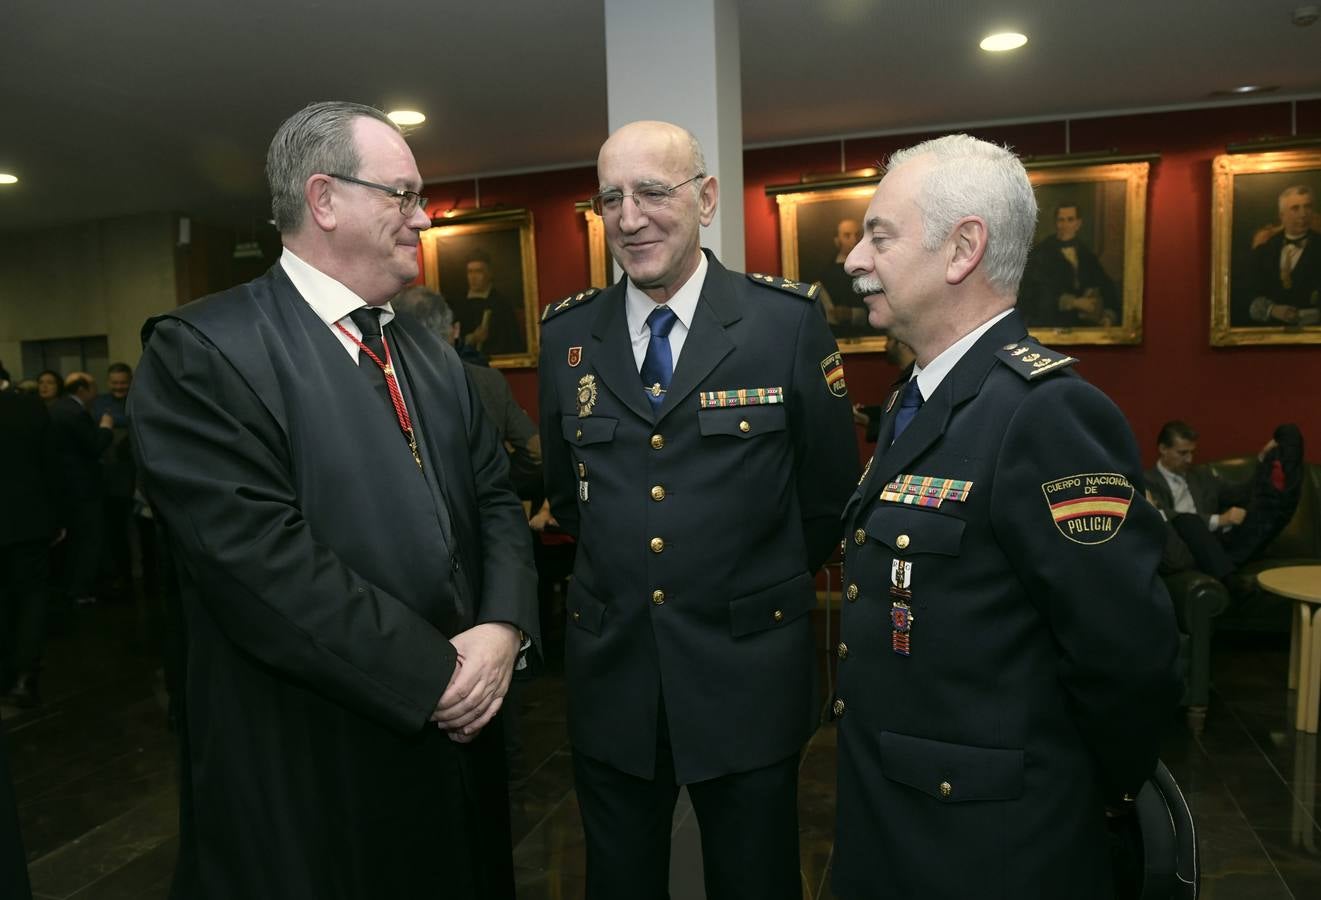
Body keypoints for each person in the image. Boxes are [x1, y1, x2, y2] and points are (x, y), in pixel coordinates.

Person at [129, 101, 538, 900]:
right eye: (402, 194)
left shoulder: (428, 354)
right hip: (311, 762)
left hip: (459, 747)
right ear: (323, 200)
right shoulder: (202, 352)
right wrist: (438, 675)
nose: (424, 218)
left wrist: (502, 625)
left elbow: (495, 498)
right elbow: (259, 565)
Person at [833, 134, 1180, 899]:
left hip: (992, 847)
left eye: (878, 236)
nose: (854, 259)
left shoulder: (1045, 414)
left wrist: (1083, 788)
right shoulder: (913, 401)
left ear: (962, 250)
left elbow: (1125, 653)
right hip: (896, 821)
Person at [538, 120, 858, 900]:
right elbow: (565, 489)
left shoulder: (783, 322)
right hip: (613, 676)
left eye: (652, 191)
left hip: (745, 671)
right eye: (610, 197)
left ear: (707, 197)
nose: (630, 216)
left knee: (754, 879)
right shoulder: (566, 332)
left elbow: (824, 500)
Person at [392, 284, 541, 499]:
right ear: (455, 330)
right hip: (488, 512)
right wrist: (502, 480)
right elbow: (536, 452)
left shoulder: (385, 385)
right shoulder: (489, 381)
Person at [1147, 420, 1304, 577]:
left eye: (1191, 452)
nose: (1189, 459)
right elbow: (1167, 517)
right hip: (1183, 548)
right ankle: (1230, 578)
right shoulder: (1147, 482)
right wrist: (1219, 520)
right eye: (1182, 453)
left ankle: (1285, 491)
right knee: (1188, 521)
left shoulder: (1201, 475)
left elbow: (1239, 494)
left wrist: (1263, 461)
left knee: (1265, 513)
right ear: (1163, 449)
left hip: (1218, 544)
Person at [0, 366, 64, 707]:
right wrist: (58, 518)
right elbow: (50, 466)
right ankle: (26, 678)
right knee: (31, 599)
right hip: (29, 521)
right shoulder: (29, 407)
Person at [48, 373, 113, 608]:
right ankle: (81, 590)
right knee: (90, 540)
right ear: (83, 389)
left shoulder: (56, 409)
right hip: (84, 487)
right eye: (94, 387)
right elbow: (94, 446)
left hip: (65, 487)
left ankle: (71, 587)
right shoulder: (76, 413)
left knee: (75, 542)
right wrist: (106, 429)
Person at [1018, 201, 1119, 327]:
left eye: (1070, 220)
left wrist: (1108, 316)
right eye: (1061, 220)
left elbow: (1105, 285)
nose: (1065, 225)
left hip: (1083, 323)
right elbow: (1034, 294)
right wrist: (1074, 302)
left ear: (1078, 224)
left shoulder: (1086, 253)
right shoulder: (1041, 253)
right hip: (1052, 322)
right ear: (1056, 223)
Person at [1244, 184, 1321, 326]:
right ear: (1282, 215)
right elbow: (1247, 292)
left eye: (1307, 207)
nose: (1303, 214)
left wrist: (1311, 315)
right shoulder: (1264, 250)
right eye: (1295, 208)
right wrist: (1272, 310)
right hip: (1269, 334)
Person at [452, 251, 523, 357]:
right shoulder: (458, 304)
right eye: (470, 272)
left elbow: (512, 342)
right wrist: (471, 339)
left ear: (490, 273)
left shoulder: (502, 305)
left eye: (479, 271)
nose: (473, 277)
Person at [817, 218, 869, 337]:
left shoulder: (871, 268)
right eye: (847, 235)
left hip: (864, 335)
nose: (854, 240)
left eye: (857, 235)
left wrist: (852, 314)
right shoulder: (825, 272)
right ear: (837, 240)